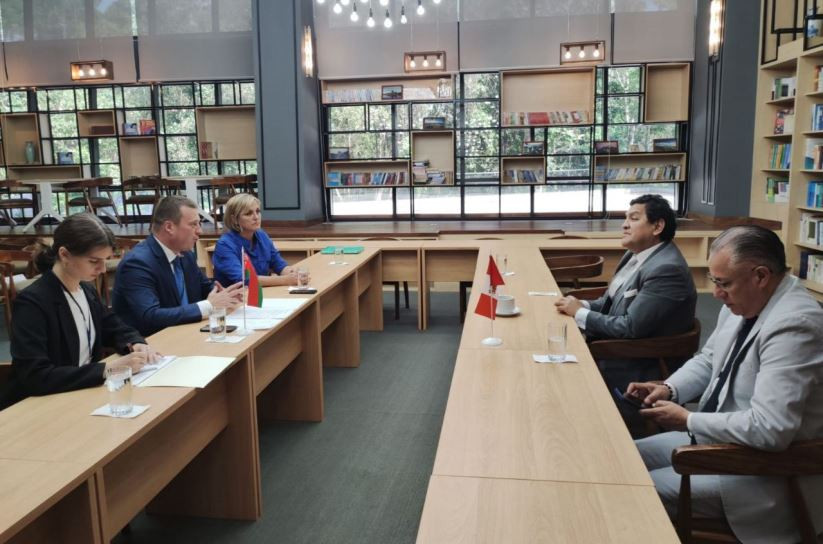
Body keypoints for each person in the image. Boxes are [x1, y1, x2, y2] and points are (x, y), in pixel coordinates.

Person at [627, 225, 823, 544]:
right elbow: (709, 360)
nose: (716, 293)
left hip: (765, 473)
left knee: (635, 489)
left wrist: (688, 419)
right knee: (624, 459)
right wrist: (670, 388)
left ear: (760, 276)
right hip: (722, 441)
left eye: (724, 283)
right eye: (715, 281)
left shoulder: (795, 325)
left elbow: (770, 429)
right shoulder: (745, 301)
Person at [0, 213, 159, 410]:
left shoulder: (86, 290)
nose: (102, 269)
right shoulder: (32, 302)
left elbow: (114, 327)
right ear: (64, 255)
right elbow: (36, 375)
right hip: (38, 405)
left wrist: (135, 343)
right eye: (94, 261)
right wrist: (108, 369)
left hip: (79, 394)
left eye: (105, 260)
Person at [554, 194, 697, 392]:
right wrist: (580, 305)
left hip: (639, 363)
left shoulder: (666, 270)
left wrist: (579, 313)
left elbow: (630, 327)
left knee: (554, 372)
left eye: (634, 218)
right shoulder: (635, 253)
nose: (624, 225)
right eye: (625, 218)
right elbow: (610, 302)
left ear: (657, 226)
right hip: (617, 346)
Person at [112, 195, 243, 337]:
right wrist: (209, 305)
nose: (200, 231)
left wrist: (225, 294)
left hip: (187, 332)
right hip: (153, 341)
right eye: (193, 224)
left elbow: (204, 287)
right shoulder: (137, 264)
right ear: (169, 227)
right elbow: (150, 316)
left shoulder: (185, 254)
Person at [212, 193, 300, 288]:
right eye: (248, 213)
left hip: (260, 293)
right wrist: (285, 280)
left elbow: (279, 264)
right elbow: (243, 279)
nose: (256, 217)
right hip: (236, 296)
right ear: (234, 219)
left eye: (257, 211)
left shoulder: (261, 235)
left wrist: (293, 274)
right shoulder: (224, 245)